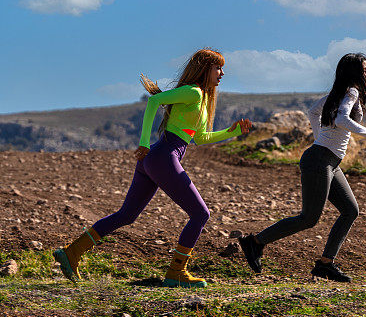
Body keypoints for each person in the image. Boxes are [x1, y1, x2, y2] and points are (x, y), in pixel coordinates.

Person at [54, 48, 251, 288]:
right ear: (204, 68)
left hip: (155, 159)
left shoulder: (199, 99)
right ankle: (177, 271)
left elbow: (200, 137)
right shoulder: (193, 93)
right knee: (201, 214)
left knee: (127, 215)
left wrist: (233, 132)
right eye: (218, 68)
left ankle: (72, 252)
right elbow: (154, 100)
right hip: (162, 157)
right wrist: (143, 143)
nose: (222, 73)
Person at [239, 53, 366, 282]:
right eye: (364, 69)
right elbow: (341, 120)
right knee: (309, 218)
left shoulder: (339, 92)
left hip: (328, 161)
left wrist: (320, 139)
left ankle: (325, 264)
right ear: (354, 72)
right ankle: (255, 242)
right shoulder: (351, 91)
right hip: (319, 160)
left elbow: (312, 111)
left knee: (350, 210)